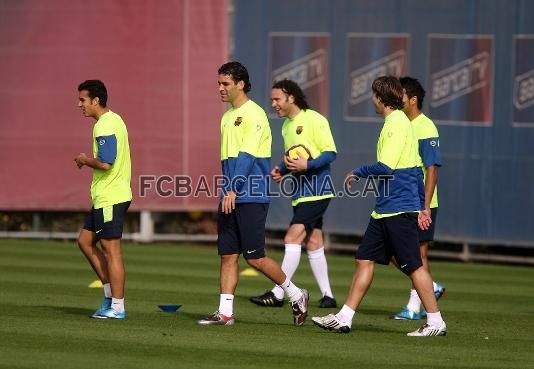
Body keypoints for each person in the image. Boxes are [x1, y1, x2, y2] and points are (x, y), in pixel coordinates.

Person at [312, 76, 447, 336]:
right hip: (386, 208)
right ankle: (344, 317)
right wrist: (422, 205)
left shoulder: (396, 124)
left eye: (373, 94)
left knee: (415, 265)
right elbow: (414, 170)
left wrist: (358, 171)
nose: (372, 99)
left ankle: (435, 322)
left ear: (380, 97)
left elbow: (386, 167)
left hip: (398, 208)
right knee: (364, 259)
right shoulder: (397, 122)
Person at [197, 62, 309, 326]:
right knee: (227, 255)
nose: (220, 88)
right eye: (219, 83)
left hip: (251, 195)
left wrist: (233, 189)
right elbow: (229, 161)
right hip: (231, 195)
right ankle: (225, 313)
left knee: (255, 257)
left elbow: (246, 157)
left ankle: (296, 295)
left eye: (225, 83)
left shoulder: (255, 114)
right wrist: (228, 190)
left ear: (241, 84)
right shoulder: (226, 117)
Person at [250, 79, 337, 309]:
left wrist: (307, 166)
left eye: (277, 99)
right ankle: (328, 295)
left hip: (317, 191)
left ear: (291, 97)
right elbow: (294, 157)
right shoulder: (287, 126)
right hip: (301, 193)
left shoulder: (315, 119)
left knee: (291, 238)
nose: (274, 104)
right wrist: (282, 168)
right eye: (272, 100)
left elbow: (330, 153)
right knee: (314, 241)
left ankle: (279, 293)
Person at [75, 80, 132, 319]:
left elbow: (106, 163)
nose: (79, 105)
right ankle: (109, 296)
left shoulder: (104, 126)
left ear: (96, 100)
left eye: (83, 100)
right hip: (105, 196)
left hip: (111, 196)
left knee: (112, 251)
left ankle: (117, 307)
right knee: (85, 241)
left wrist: (84, 160)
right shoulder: (114, 119)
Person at [390, 76, 445, 320]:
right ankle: (430, 287)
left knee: (418, 255)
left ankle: (414, 308)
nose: (397, 100)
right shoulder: (399, 123)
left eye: (400, 96)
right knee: (394, 251)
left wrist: (425, 204)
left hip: (422, 203)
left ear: (412, 100)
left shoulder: (426, 127)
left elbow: (432, 168)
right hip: (401, 200)